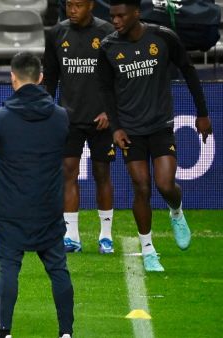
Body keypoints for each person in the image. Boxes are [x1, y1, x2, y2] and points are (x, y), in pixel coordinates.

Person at [97, 0, 212, 271]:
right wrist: (116, 128)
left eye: (120, 16)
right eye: (112, 16)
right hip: (130, 129)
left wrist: (203, 113)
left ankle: (176, 211)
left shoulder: (162, 37)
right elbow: (105, 90)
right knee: (142, 187)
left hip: (160, 125)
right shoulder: (108, 48)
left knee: (164, 184)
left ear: (137, 13)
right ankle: (148, 251)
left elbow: (188, 70)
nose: (115, 21)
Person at [0, 53, 74, 338]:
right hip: (48, 207)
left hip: (11, 209)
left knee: (9, 268)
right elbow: (63, 145)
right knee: (58, 268)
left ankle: (4, 331)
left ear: (13, 78)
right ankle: (66, 332)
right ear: (41, 78)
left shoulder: (0, 118)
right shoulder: (60, 116)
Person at [43, 0, 116, 254]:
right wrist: (48, 110)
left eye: (77, 6)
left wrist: (110, 110)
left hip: (101, 120)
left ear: (91, 6)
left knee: (102, 174)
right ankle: (71, 236)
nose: (72, 10)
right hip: (68, 118)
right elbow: (50, 77)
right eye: (69, 5)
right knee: (68, 173)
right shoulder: (56, 33)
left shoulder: (107, 32)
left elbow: (118, 76)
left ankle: (106, 235)